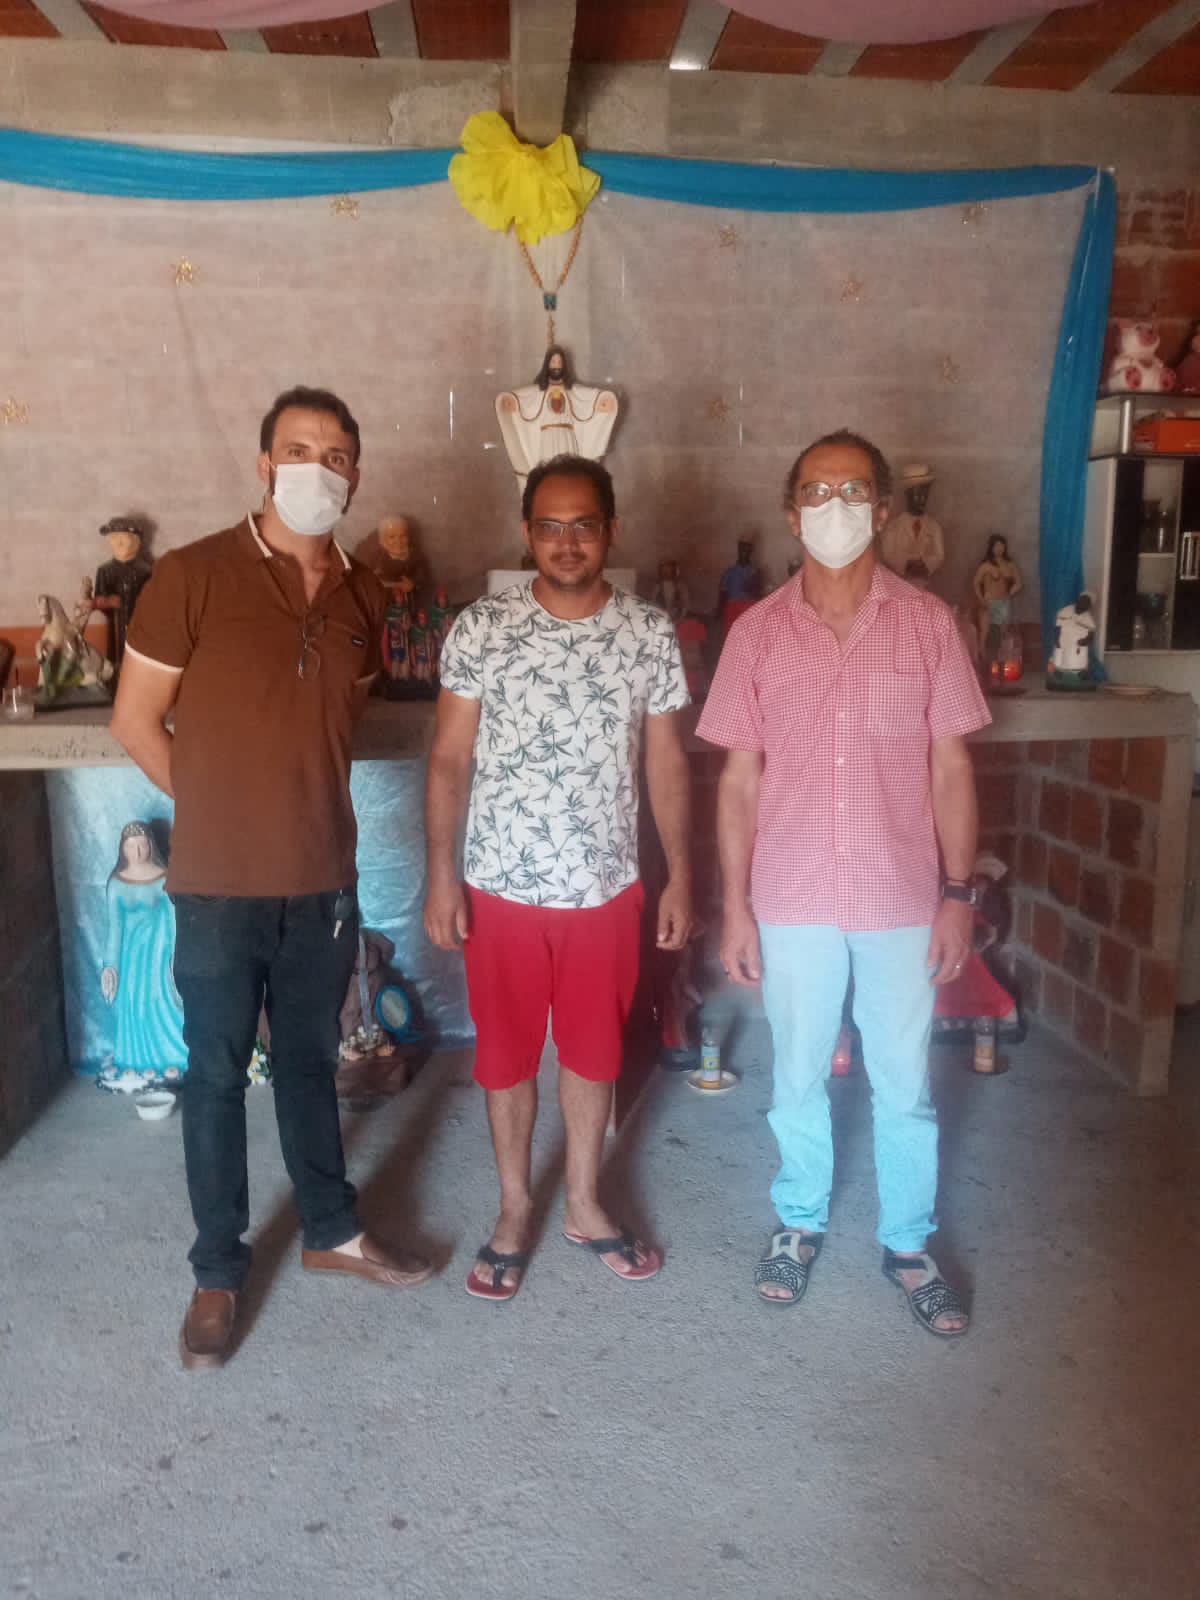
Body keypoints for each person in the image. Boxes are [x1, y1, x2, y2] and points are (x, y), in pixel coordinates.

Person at [111, 385, 432, 1371]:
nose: (316, 470)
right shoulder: (192, 574)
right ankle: (217, 1271)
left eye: (336, 455)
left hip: (322, 881)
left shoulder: (364, 595)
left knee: (308, 1064)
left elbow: (333, 720)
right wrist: (217, 812)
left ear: (355, 475)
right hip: (216, 886)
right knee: (214, 1075)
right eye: (298, 450)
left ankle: (332, 1230)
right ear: (264, 464)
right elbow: (134, 719)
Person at [697, 428, 990, 1338]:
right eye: (817, 493)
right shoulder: (756, 635)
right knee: (796, 1073)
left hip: (900, 895)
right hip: (791, 897)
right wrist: (735, 906)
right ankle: (799, 1220)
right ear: (792, 515)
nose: (835, 508)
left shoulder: (928, 624)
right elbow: (738, 780)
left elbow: (951, 768)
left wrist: (959, 894)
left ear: (884, 510)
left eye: (853, 490)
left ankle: (908, 1243)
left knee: (904, 1082)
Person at [424, 454, 691, 1302]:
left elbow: (666, 764)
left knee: (592, 1053)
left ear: (611, 530)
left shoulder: (648, 633)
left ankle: (582, 1200)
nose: (566, 542)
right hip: (499, 886)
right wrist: (441, 876)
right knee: (505, 1058)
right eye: (549, 526)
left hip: (604, 889)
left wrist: (680, 874)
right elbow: (449, 760)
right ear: (527, 532)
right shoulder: (482, 628)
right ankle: (513, 1210)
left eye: (583, 526)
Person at [100, 821, 188, 1083]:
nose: (137, 852)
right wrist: (110, 967)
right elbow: (114, 930)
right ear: (122, 849)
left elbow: (175, 922)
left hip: (159, 957)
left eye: (141, 845)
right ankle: (136, 1059)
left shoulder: (164, 877)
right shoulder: (116, 884)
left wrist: (176, 958)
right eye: (130, 846)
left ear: (151, 845)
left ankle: (177, 1054)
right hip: (131, 961)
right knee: (134, 1006)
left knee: (166, 1005)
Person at [495, 345, 619, 490]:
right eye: (553, 362)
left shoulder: (570, 389)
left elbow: (586, 395)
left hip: (567, 437)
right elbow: (525, 396)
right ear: (547, 364)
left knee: (570, 473)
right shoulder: (540, 390)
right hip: (547, 438)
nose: (556, 366)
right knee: (547, 475)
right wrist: (512, 400)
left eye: (559, 362)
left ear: (564, 365)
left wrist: (602, 399)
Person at [94, 516, 155, 670]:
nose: (118, 542)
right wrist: (108, 602)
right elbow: (99, 599)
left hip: (140, 626)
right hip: (115, 624)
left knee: (138, 656)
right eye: (113, 538)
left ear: (136, 541)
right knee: (115, 656)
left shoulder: (145, 571)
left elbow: (153, 600)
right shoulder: (105, 571)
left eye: (123, 537)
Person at [879, 462, 945, 590]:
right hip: (899, 584)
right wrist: (907, 564)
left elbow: (939, 555)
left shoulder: (934, 526)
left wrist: (925, 564)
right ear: (907, 495)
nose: (921, 500)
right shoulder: (894, 527)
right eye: (917, 495)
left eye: (925, 495)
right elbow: (888, 554)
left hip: (927, 586)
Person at [973, 534, 1023, 656]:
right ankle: (982, 658)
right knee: (985, 632)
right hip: (988, 601)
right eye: (996, 546)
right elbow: (975, 583)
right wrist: (981, 599)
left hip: (1003, 602)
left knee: (1001, 631)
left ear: (1005, 547)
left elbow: (1019, 582)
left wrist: (1009, 593)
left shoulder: (1010, 564)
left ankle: (997, 659)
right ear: (991, 547)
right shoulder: (986, 565)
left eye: (1002, 546)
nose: (999, 548)